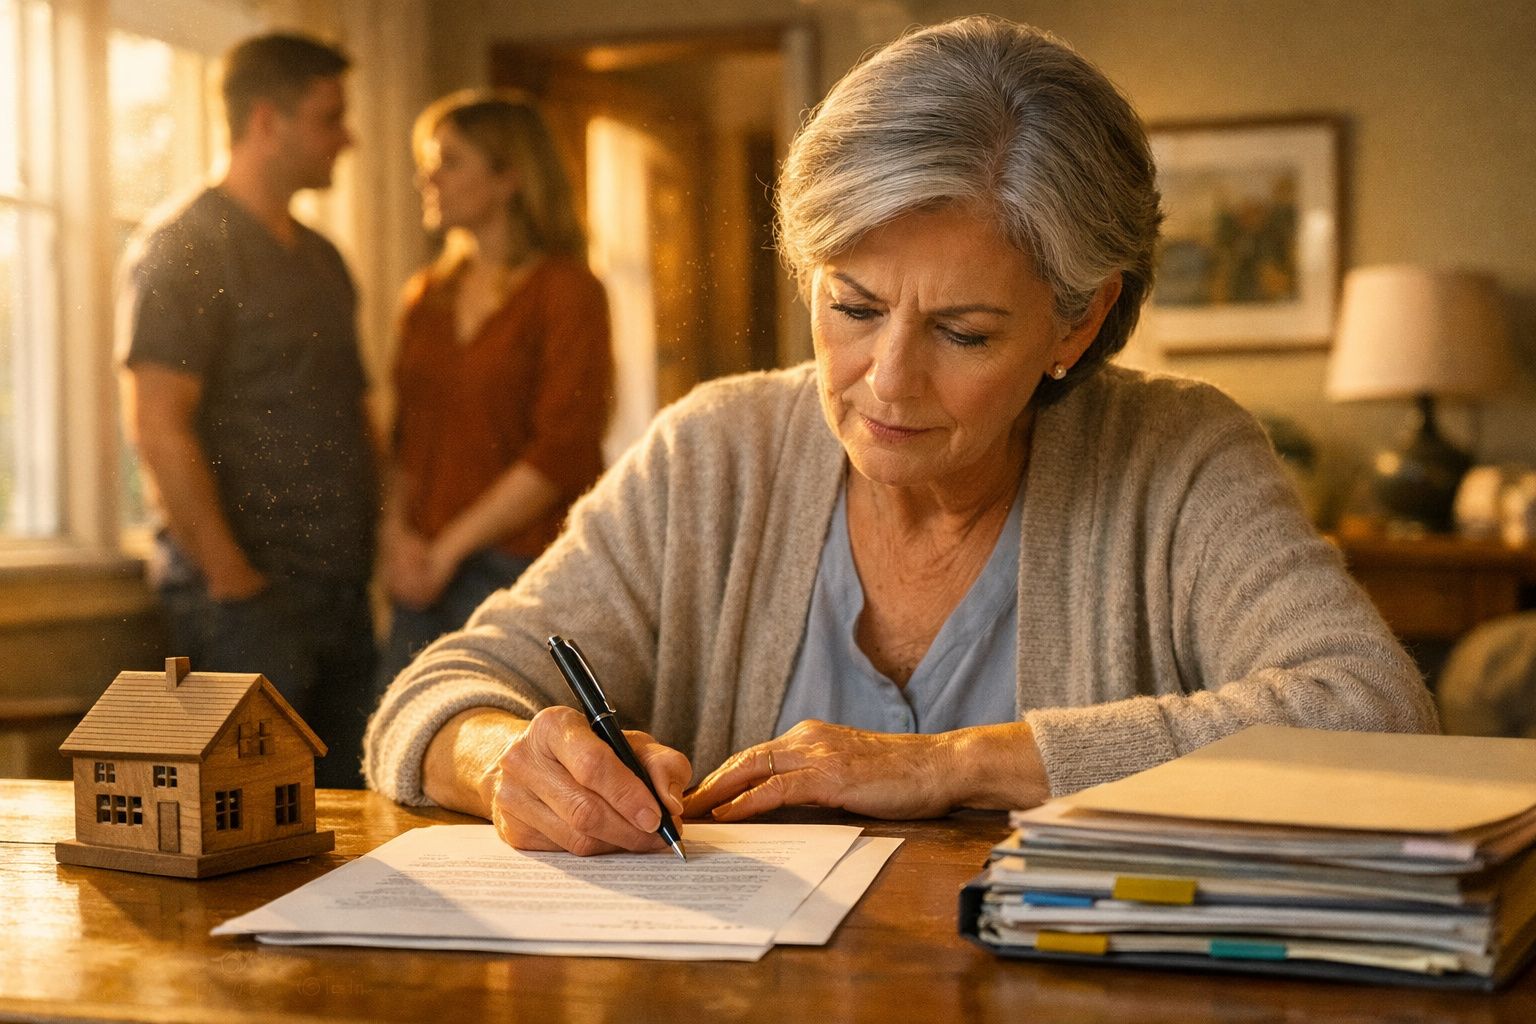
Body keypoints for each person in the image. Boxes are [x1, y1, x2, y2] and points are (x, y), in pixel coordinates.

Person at [365, 16, 1437, 854]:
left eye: (964, 332)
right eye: (855, 306)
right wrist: (506, 757)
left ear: (1082, 320)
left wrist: (953, 764)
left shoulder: (1177, 457)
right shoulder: (713, 454)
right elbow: (435, 692)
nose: (886, 380)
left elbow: (1378, 719)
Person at [119, 33, 378, 789]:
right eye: (330, 117)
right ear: (267, 121)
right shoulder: (183, 247)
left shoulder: (325, 259)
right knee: (249, 825)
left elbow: (357, 414)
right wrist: (233, 581)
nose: (348, 137)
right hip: (245, 602)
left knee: (352, 820)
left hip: (340, 589)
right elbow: (157, 423)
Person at [374, 91, 612, 692]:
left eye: (449, 160)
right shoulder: (427, 296)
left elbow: (562, 450)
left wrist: (449, 548)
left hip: (519, 566)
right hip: (422, 570)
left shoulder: (567, 292)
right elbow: (405, 441)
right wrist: (396, 537)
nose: (428, 176)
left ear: (509, 177)